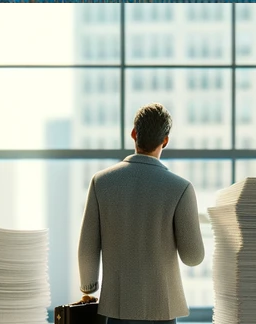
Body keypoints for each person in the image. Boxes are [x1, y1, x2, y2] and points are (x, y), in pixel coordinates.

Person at [78, 103, 205, 324]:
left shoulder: (101, 182)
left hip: (115, 308)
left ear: (134, 134)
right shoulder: (180, 188)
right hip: (162, 309)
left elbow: (88, 245)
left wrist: (88, 286)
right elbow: (192, 257)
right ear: (165, 140)